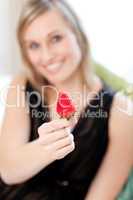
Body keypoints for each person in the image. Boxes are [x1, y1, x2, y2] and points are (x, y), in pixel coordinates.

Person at [0, 0, 133, 199]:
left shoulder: (122, 111)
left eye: (55, 38)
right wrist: (45, 148)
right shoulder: (22, 85)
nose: (47, 56)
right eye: (34, 45)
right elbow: (9, 171)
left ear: (78, 35)